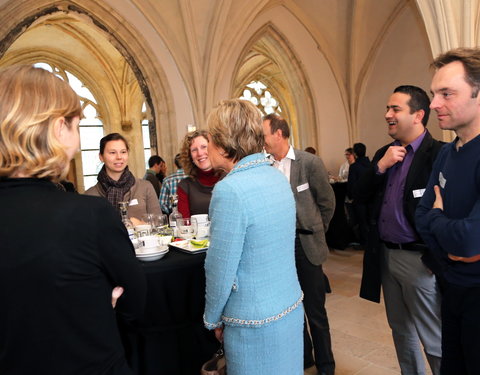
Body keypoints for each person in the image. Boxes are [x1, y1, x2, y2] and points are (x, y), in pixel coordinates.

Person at [0, 65, 146, 375]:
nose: (78, 142)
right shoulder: (89, 215)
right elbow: (135, 303)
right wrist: (93, 308)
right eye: (77, 126)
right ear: (57, 128)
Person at [204, 99, 304, 375]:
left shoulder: (230, 190)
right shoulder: (276, 177)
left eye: (210, 138)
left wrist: (212, 319)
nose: (207, 145)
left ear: (224, 144)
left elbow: (220, 268)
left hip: (254, 322)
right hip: (289, 308)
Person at [357, 85, 443, 375]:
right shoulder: (385, 153)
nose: (387, 115)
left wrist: (435, 258)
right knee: (401, 331)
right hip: (386, 255)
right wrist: (378, 167)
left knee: (434, 336)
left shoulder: (438, 154)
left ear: (418, 115)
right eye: (387, 108)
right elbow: (359, 194)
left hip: (419, 261)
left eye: (395, 109)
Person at [416, 47, 480, 375]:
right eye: (433, 94)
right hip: (450, 287)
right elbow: (420, 218)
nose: (434, 104)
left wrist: (439, 220)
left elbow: (470, 239)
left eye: (446, 93)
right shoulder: (446, 152)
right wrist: (454, 249)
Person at [262, 113, 336, 375]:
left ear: (279, 134)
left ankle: (326, 365)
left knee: (316, 311)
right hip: (279, 249)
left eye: (265, 134)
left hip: (306, 245)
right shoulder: (264, 166)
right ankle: (305, 358)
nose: (262, 140)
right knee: (292, 309)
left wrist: (317, 230)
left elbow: (327, 203)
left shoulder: (309, 163)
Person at [85, 133, 161, 222]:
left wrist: (139, 225)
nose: (119, 157)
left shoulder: (145, 187)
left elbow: (159, 224)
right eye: (112, 153)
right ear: (101, 157)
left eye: (123, 152)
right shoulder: (89, 195)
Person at [177, 130, 220, 217]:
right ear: (190, 156)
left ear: (214, 149)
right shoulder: (185, 186)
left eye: (204, 147)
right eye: (194, 150)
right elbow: (184, 224)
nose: (200, 153)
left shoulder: (228, 178)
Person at [346, 142, 370, 248]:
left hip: (359, 199)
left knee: (361, 222)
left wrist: (350, 196)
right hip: (371, 198)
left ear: (354, 153)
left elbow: (351, 184)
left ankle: (364, 243)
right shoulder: (371, 164)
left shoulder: (354, 166)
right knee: (370, 221)